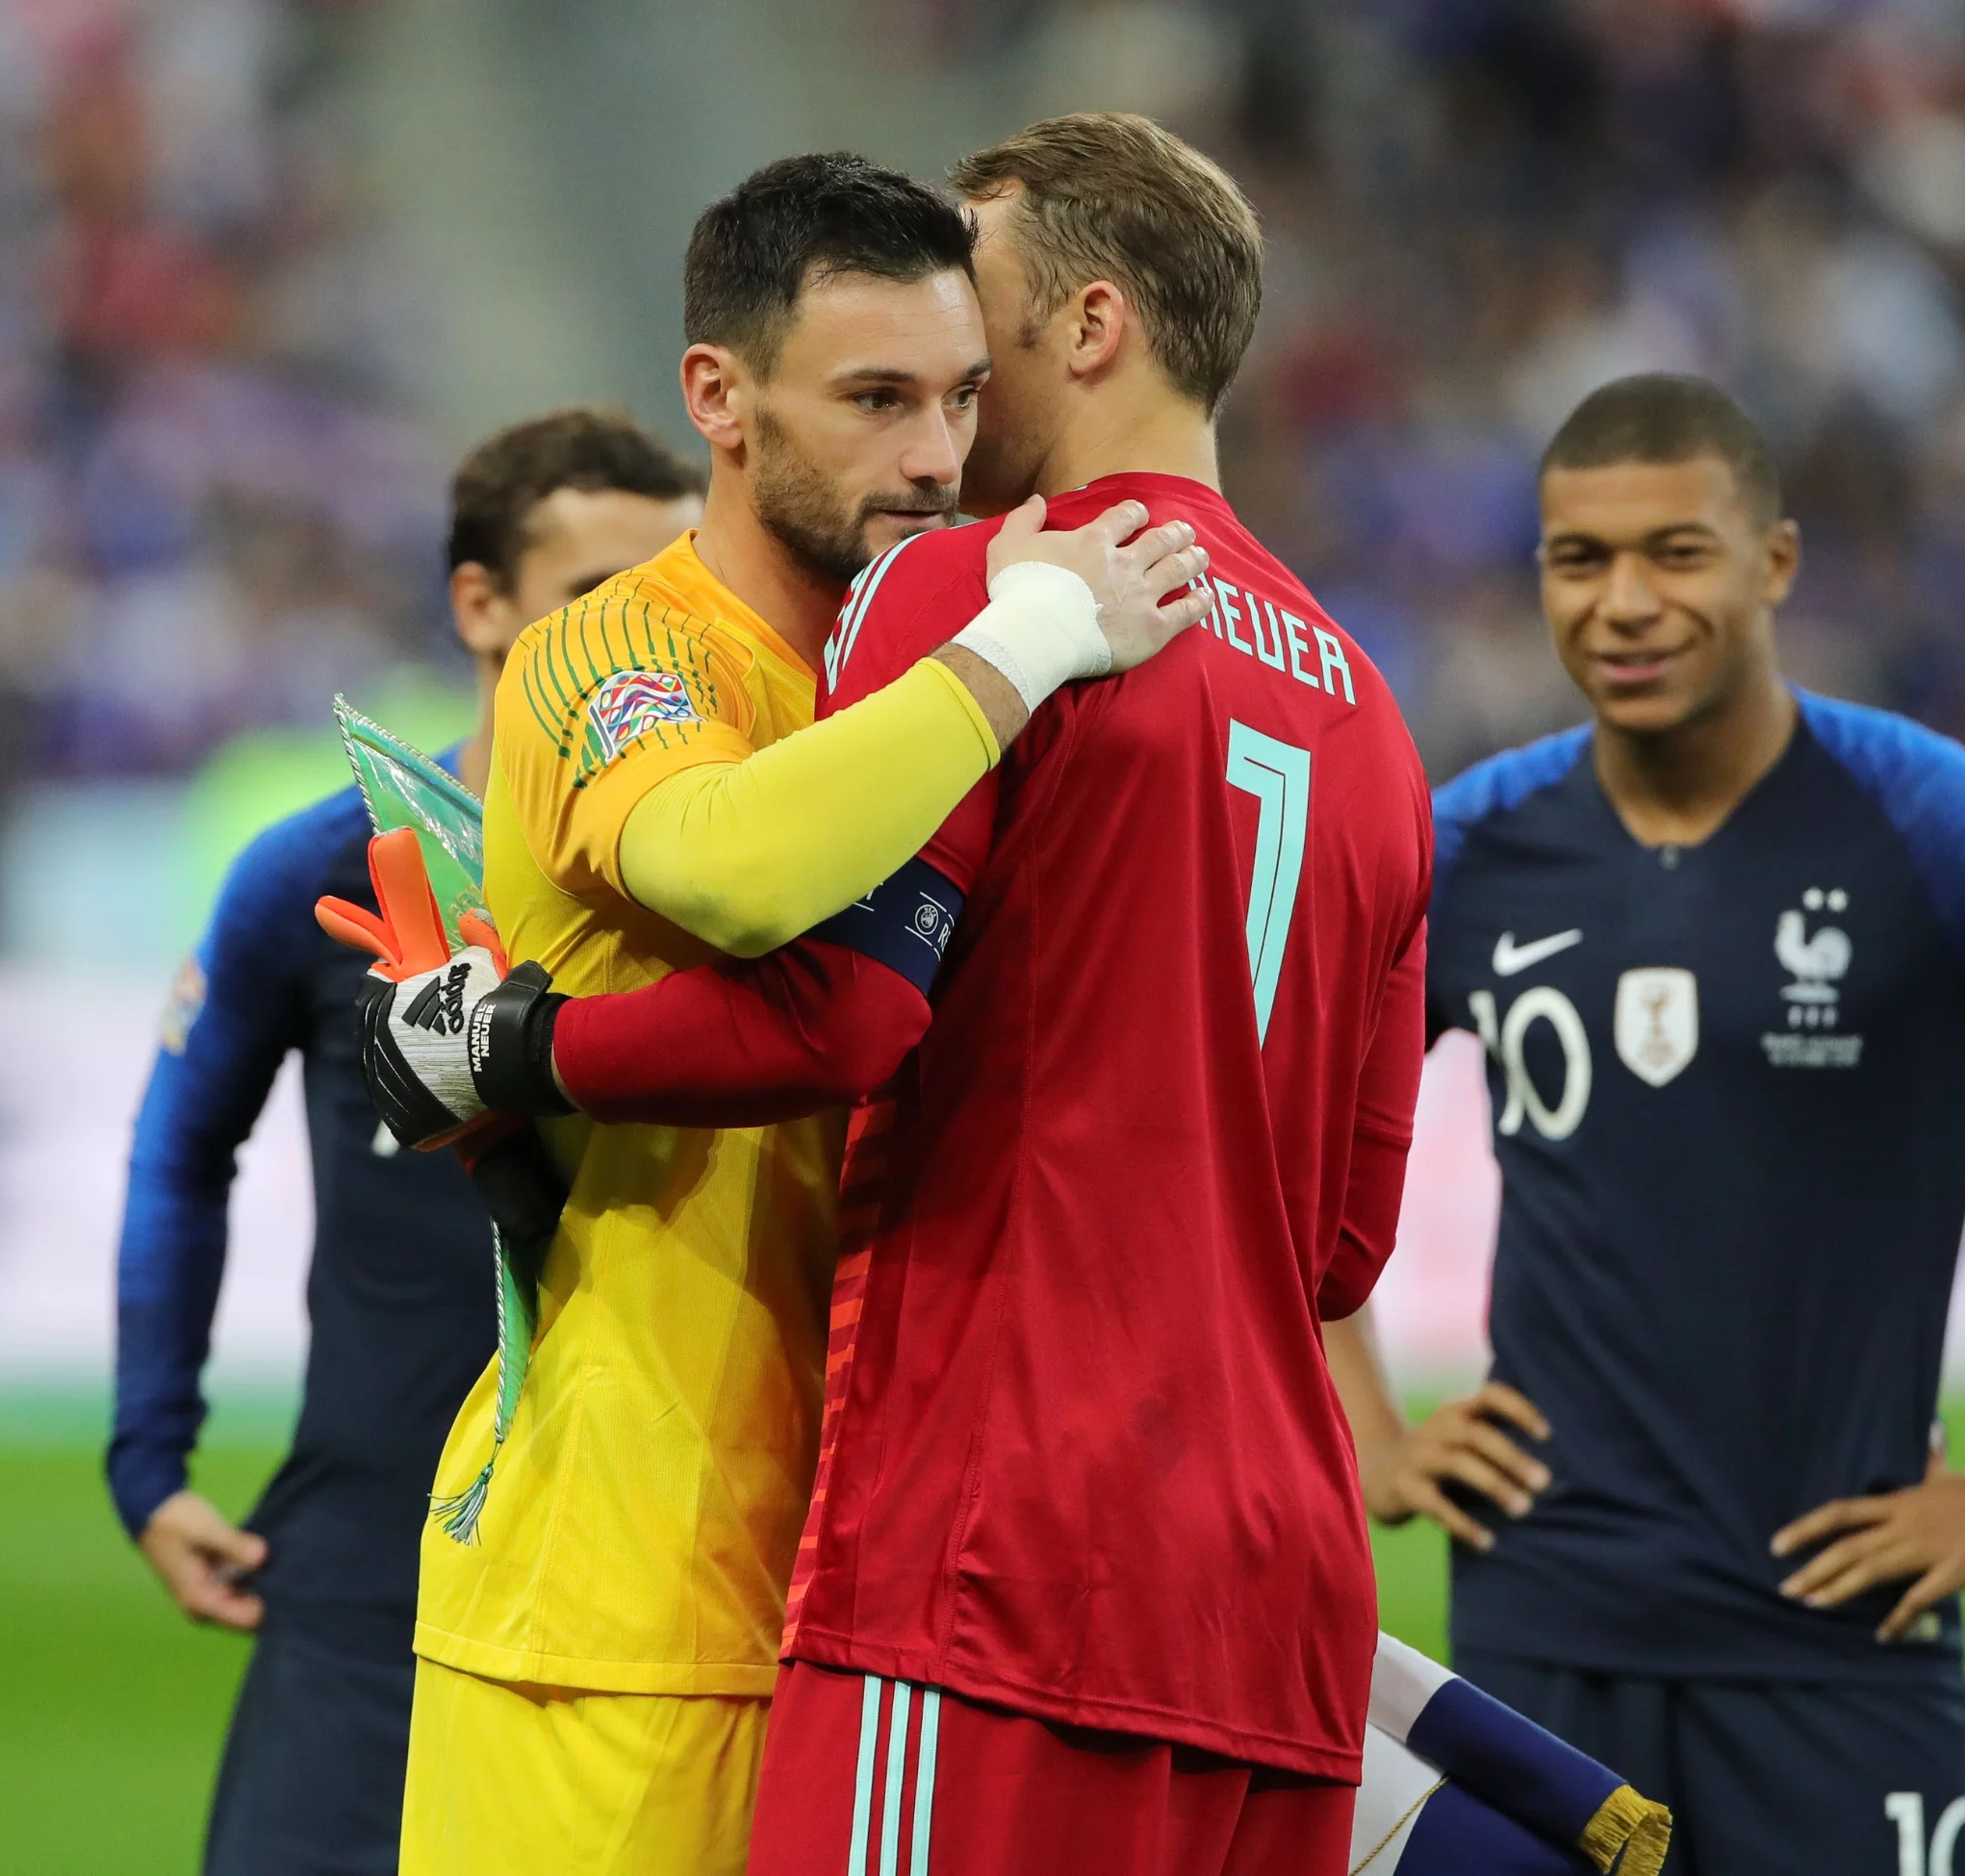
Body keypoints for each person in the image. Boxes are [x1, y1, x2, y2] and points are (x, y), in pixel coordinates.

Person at [355, 113, 1435, 1876]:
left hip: (938, 1564)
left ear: (1073, 331)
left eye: (959, 382)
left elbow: (856, 1018)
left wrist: (521, 1055)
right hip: (649, 1598)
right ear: (721, 397)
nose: (941, 450)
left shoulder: (989, 617)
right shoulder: (640, 642)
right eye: (881, 400)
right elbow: (719, 858)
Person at [1324, 373, 1965, 1874]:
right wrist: (1370, 1429)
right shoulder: (1470, 845)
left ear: (1775, 562)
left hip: (1843, 1635)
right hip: (1541, 1632)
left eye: (1678, 551)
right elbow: (1281, 1142)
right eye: (1579, 560)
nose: (1625, 603)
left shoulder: (1945, 828)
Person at [106, 407, 704, 1875]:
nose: (638, 645)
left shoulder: (727, 886)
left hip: (655, 1584)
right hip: (371, 1577)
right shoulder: (320, 874)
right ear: (480, 605)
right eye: (594, 600)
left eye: (672, 599)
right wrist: (151, 1452)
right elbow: (181, 1148)